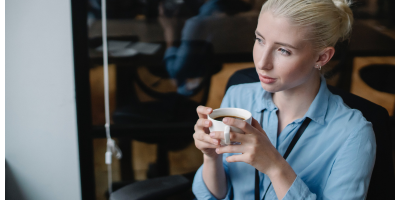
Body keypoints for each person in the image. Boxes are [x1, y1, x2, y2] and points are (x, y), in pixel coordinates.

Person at [192, 0, 376, 199]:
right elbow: (213, 196)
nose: (262, 63)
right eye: (260, 40)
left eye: (284, 50)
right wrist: (211, 157)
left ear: (321, 58)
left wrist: (275, 166)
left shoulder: (354, 134)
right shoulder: (238, 96)